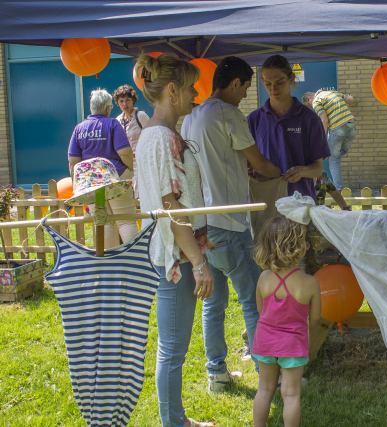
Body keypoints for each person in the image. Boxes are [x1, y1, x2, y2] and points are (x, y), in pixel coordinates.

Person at [181, 56, 281, 393]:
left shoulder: (191, 116)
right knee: (254, 300)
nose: (245, 98)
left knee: (214, 302)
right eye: (246, 89)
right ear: (235, 83)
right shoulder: (228, 113)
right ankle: (268, 375)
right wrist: (278, 172)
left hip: (202, 226)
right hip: (229, 224)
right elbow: (258, 161)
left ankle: (217, 375)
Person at [135, 53, 215, 427]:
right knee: (172, 349)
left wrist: (198, 239)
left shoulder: (153, 135)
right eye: (190, 87)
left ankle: (176, 419)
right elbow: (171, 206)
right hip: (175, 260)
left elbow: (171, 200)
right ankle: (173, 423)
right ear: (172, 90)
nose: (196, 94)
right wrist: (197, 261)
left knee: (173, 347)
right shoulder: (162, 138)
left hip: (172, 251)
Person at [252, 215, 321, 427]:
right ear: (298, 245)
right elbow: (315, 319)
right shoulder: (309, 283)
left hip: (265, 342)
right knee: (291, 395)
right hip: (293, 345)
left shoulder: (263, 278)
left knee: (264, 389)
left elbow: (261, 311)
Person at [248, 55, 330, 203]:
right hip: (265, 202)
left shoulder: (310, 119)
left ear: (291, 78)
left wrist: (301, 171)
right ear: (262, 81)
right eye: (267, 83)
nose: (273, 89)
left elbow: (318, 168)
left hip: (300, 201)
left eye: (279, 82)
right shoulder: (254, 120)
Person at [67, 88, 138, 248]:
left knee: (103, 222)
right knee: (125, 221)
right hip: (115, 180)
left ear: (92, 108)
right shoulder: (113, 123)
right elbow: (125, 152)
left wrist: (78, 184)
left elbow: (73, 160)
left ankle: (108, 263)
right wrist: (130, 170)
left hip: (93, 186)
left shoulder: (79, 128)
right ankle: (135, 259)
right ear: (107, 108)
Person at [302, 90, 355, 191]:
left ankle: (338, 190)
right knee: (337, 153)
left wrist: (320, 139)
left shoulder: (316, 101)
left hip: (338, 129)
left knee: (334, 159)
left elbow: (324, 121)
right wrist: (350, 96)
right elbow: (350, 100)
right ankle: (327, 154)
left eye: (309, 105)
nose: (311, 107)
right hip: (351, 127)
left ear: (310, 98)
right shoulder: (333, 92)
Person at [113, 84, 150, 200]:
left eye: (128, 100)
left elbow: (151, 138)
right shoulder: (117, 121)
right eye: (121, 101)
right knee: (127, 197)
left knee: (142, 196)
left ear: (133, 100)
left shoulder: (141, 116)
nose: (125, 104)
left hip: (141, 164)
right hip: (125, 165)